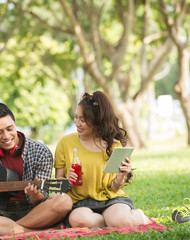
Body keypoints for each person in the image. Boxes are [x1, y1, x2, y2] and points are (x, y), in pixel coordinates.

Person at [0, 102, 72, 236]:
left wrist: (35, 196)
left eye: (10, 129)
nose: (6, 136)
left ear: (15, 124)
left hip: (33, 211)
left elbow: (43, 198)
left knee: (64, 201)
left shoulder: (40, 151)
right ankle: (33, 232)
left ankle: (13, 229)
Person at [54, 91, 153, 228]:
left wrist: (121, 176)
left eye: (83, 120)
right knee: (78, 221)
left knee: (122, 222)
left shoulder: (113, 145)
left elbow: (114, 188)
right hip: (79, 203)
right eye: (76, 117)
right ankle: (110, 221)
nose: (77, 123)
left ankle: (138, 216)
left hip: (110, 200)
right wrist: (66, 181)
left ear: (97, 121)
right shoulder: (65, 143)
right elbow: (58, 185)